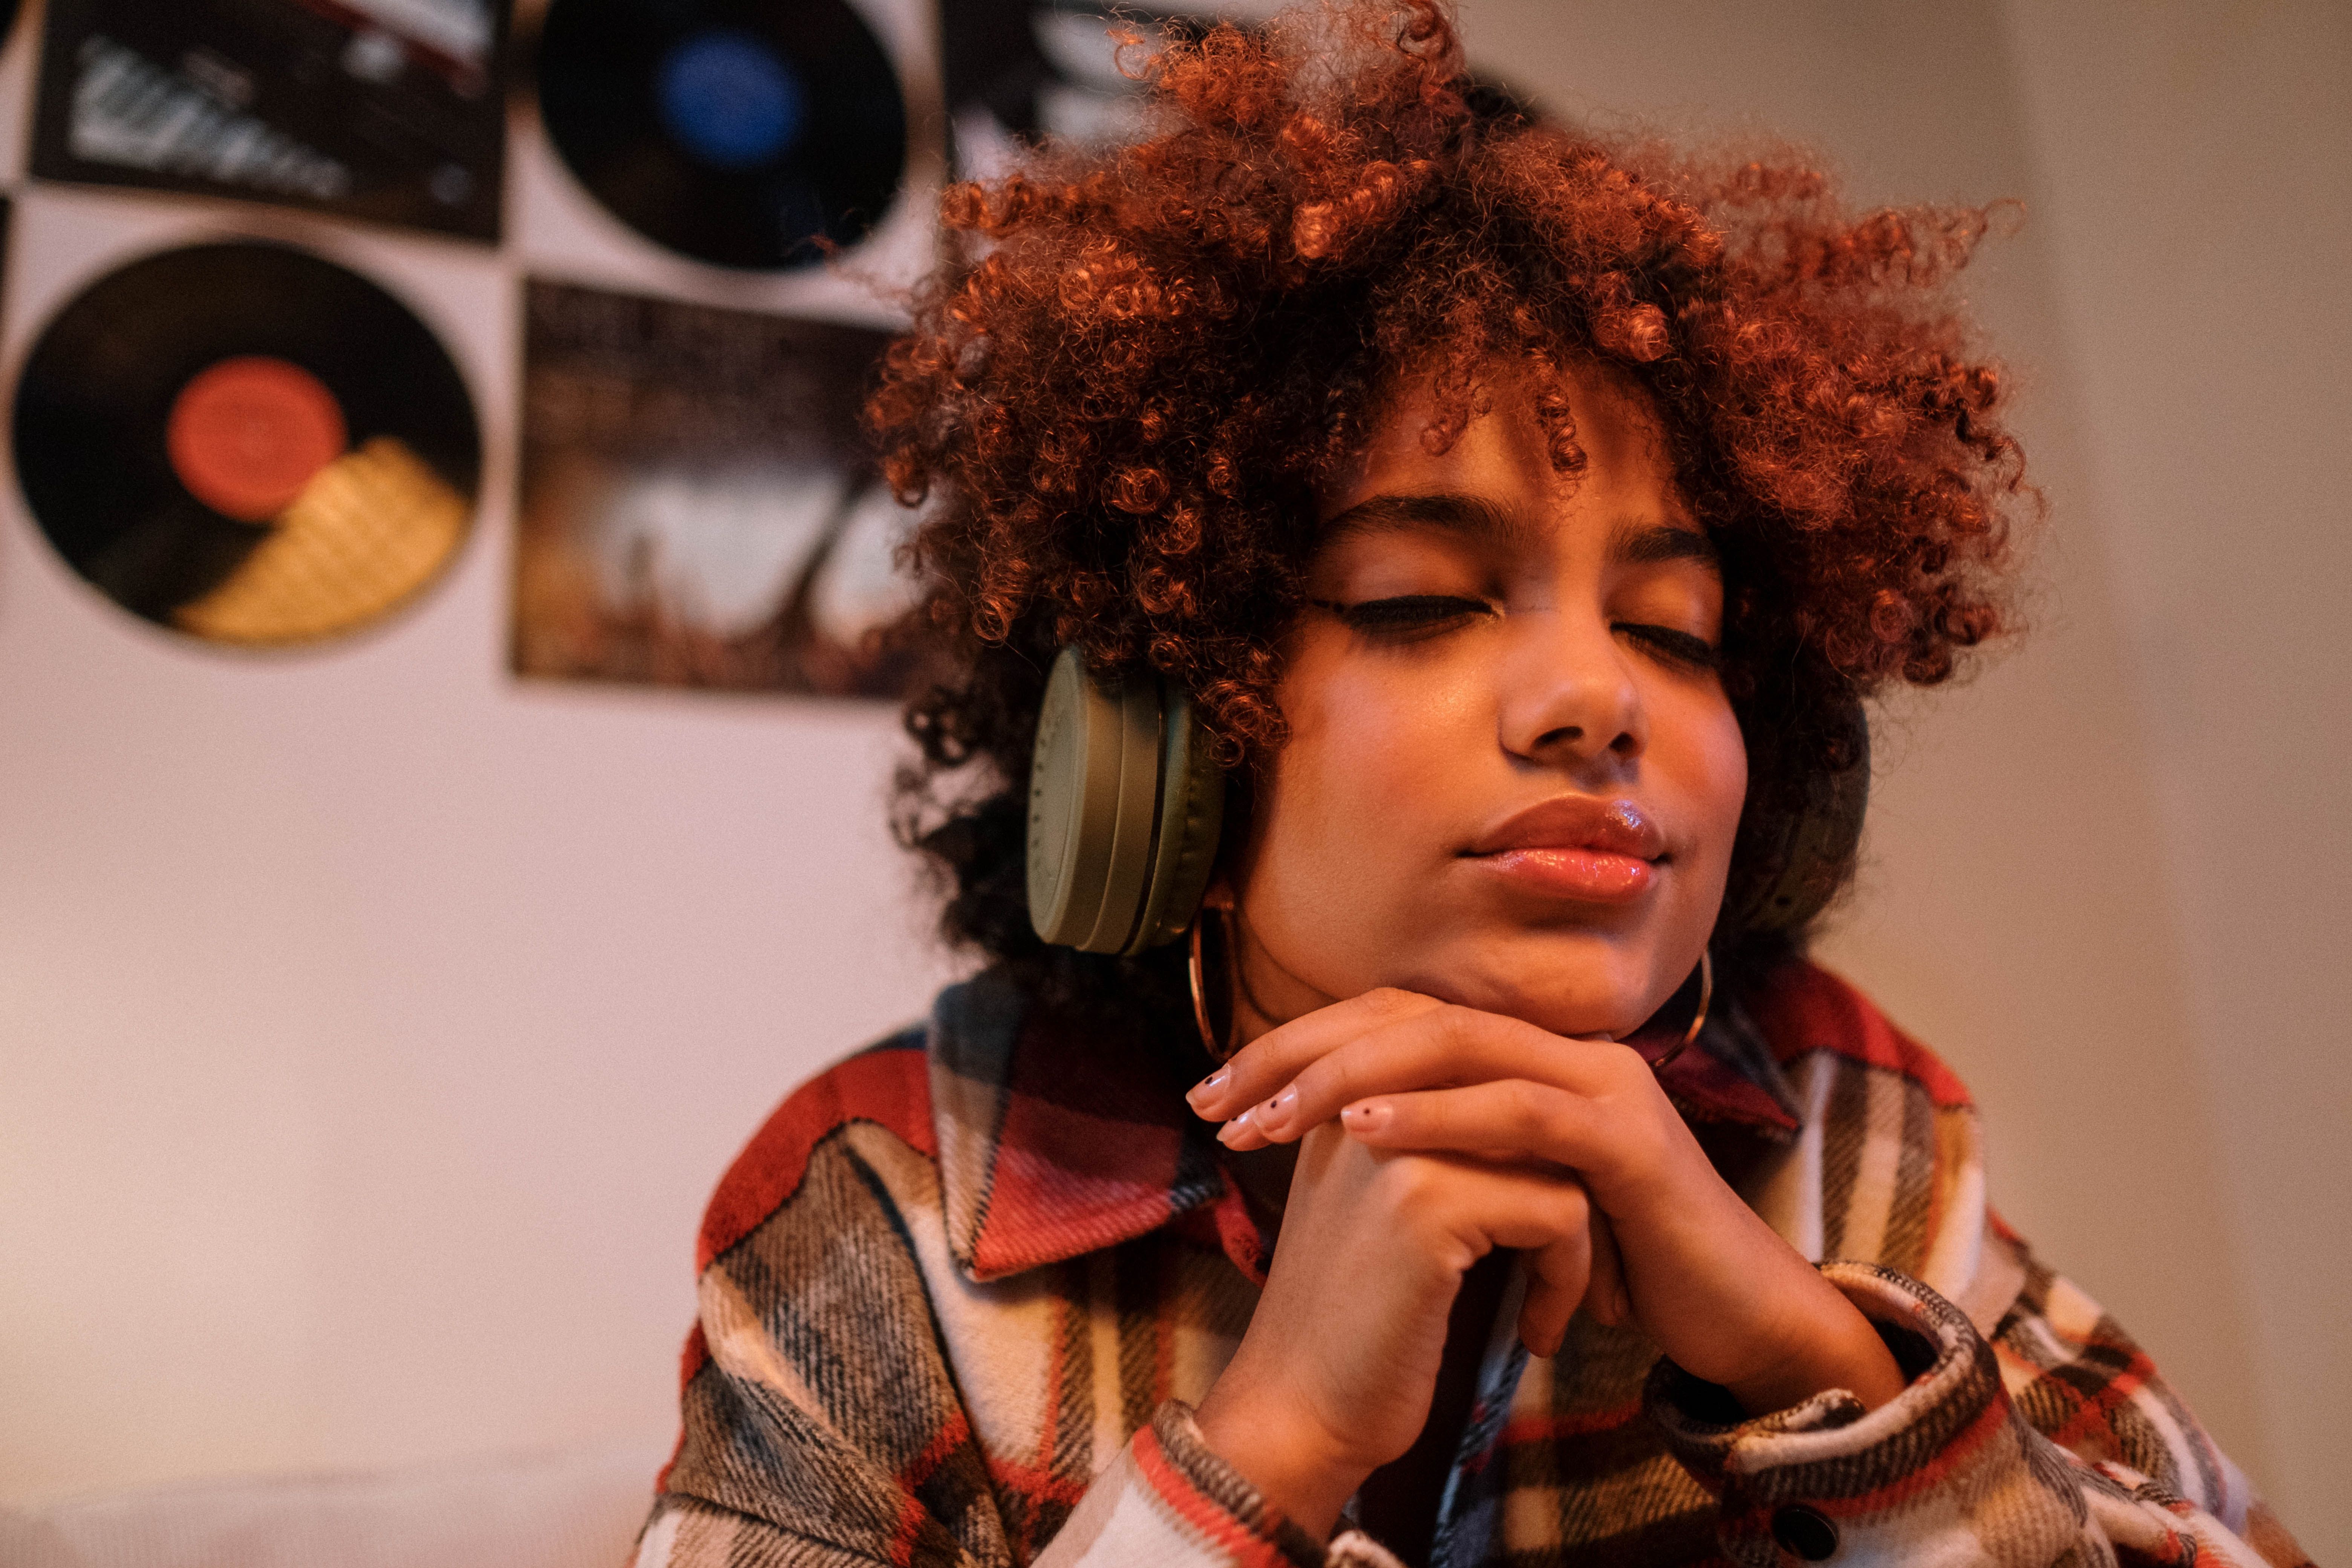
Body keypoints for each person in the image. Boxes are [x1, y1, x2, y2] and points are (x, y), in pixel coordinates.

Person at [633, 5, 2309, 1564]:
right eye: (1418, 599)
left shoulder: (1844, 1127)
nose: (1598, 697)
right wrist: (1262, 1455)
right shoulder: (895, 1202)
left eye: (1675, 624)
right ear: (1163, 741)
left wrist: (1822, 1366)